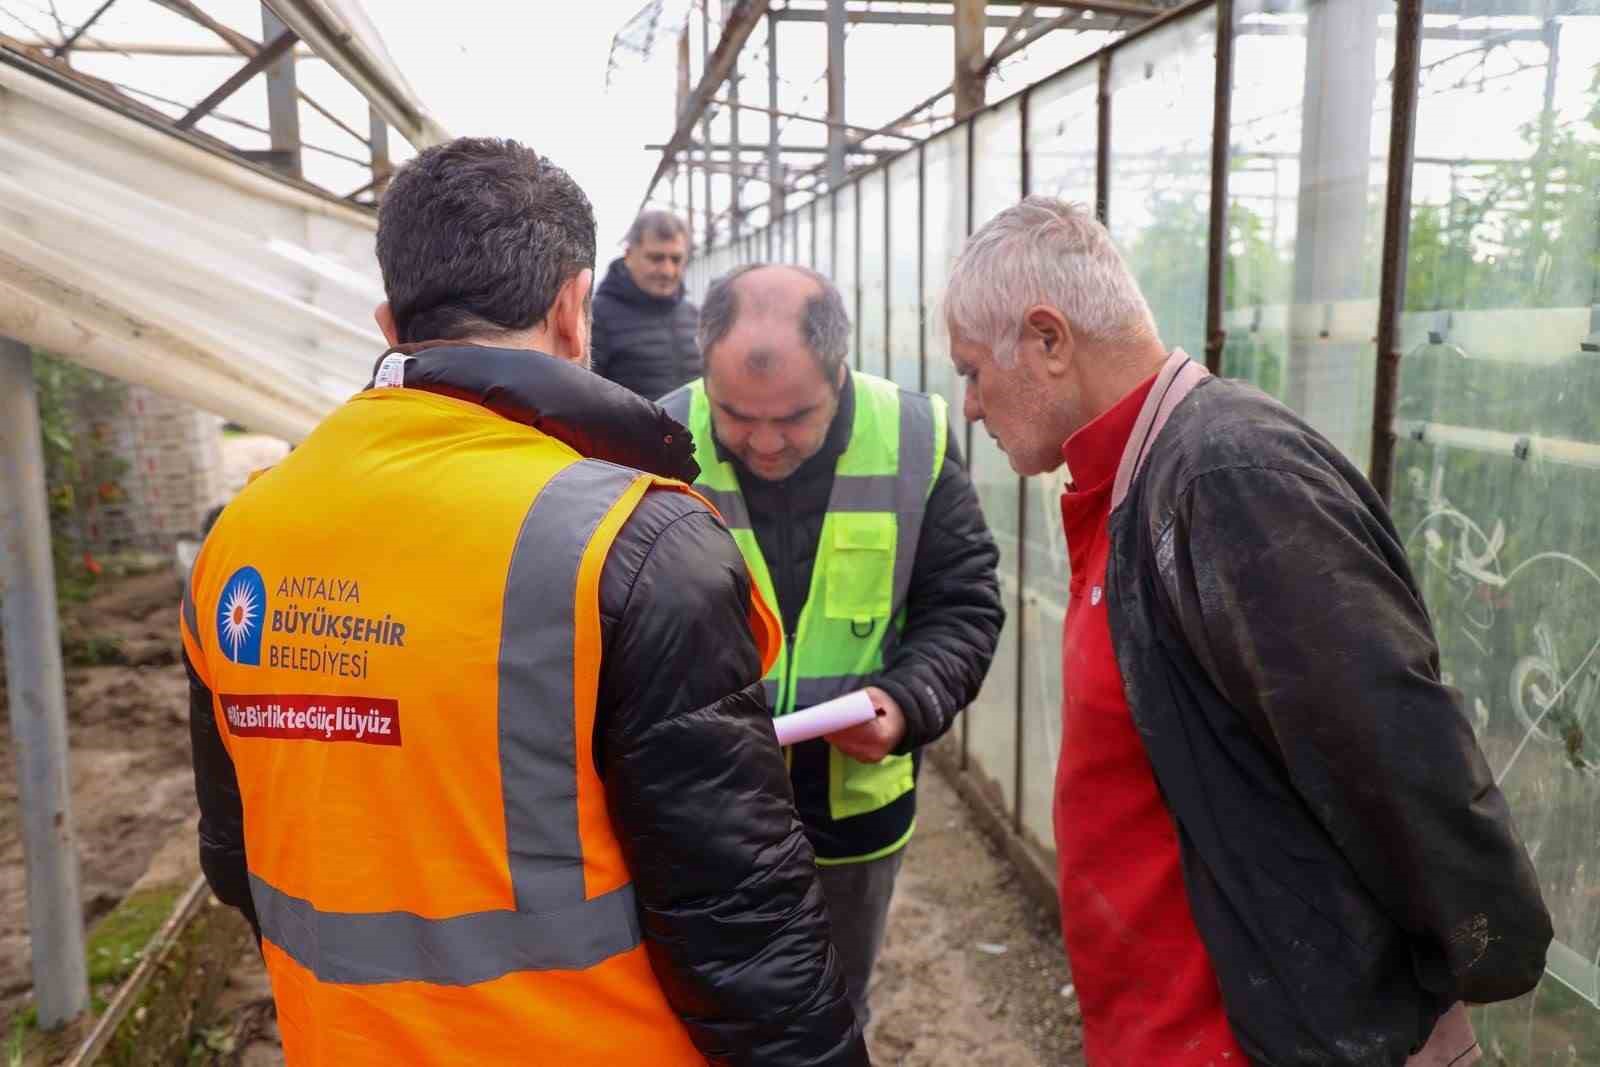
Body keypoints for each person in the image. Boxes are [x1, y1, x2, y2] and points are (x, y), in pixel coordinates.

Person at [181, 138, 867, 1067]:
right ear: (574, 309)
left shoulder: (240, 538)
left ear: (390, 322)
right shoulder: (633, 545)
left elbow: (234, 859)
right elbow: (741, 925)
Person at [942, 196, 1552, 1067]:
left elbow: (1390, 742)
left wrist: (1484, 945)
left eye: (972, 371)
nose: (968, 405)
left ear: (1048, 339)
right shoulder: (1136, 482)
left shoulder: (1225, 477)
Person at [660, 265, 1003, 1027]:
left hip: (851, 819)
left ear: (839, 369)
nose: (764, 442)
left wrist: (905, 701)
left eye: (794, 417)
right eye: (736, 416)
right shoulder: (654, 441)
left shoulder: (916, 438)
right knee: (704, 1018)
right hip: (701, 817)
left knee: (836, 1013)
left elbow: (964, 604)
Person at [592, 210, 700, 400]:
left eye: (676, 259)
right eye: (656, 258)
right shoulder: (596, 318)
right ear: (628, 255)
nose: (667, 270)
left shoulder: (694, 316)